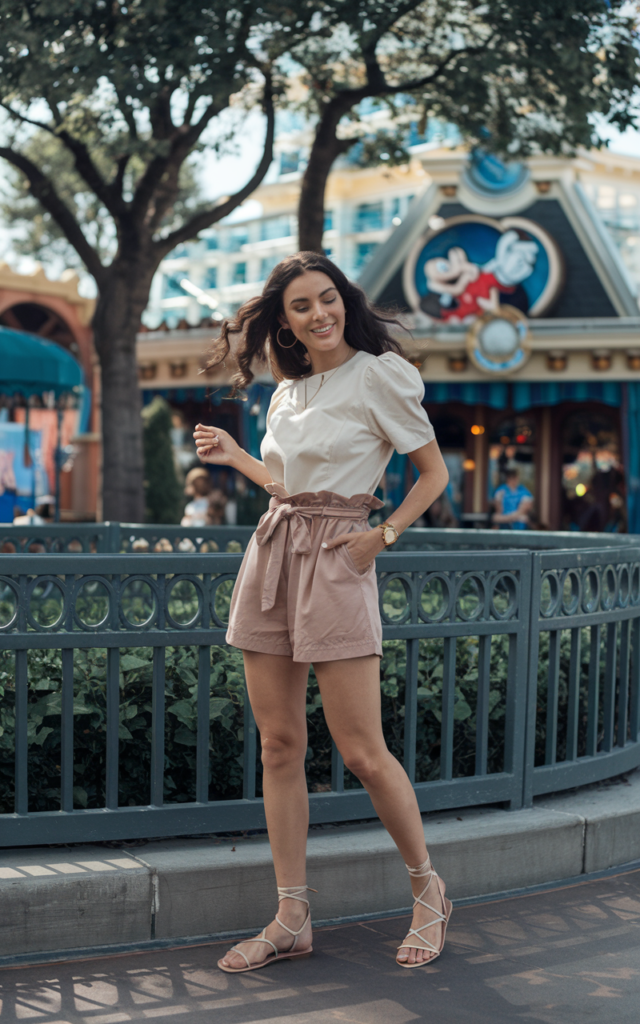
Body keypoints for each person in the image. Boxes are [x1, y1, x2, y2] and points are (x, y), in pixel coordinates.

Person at [194, 251, 451, 974]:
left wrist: (381, 537)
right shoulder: (287, 392)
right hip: (273, 552)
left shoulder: (379, 374)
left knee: (363, 754)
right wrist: (240, 460)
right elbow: (287, 483)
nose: (320, 314)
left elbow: (433, 473)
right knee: (279, 746)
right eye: (302, 306)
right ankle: (292, 914)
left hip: (340, 556)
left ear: (345, 301)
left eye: (328, 298)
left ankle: (430, 893)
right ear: (285, 323)